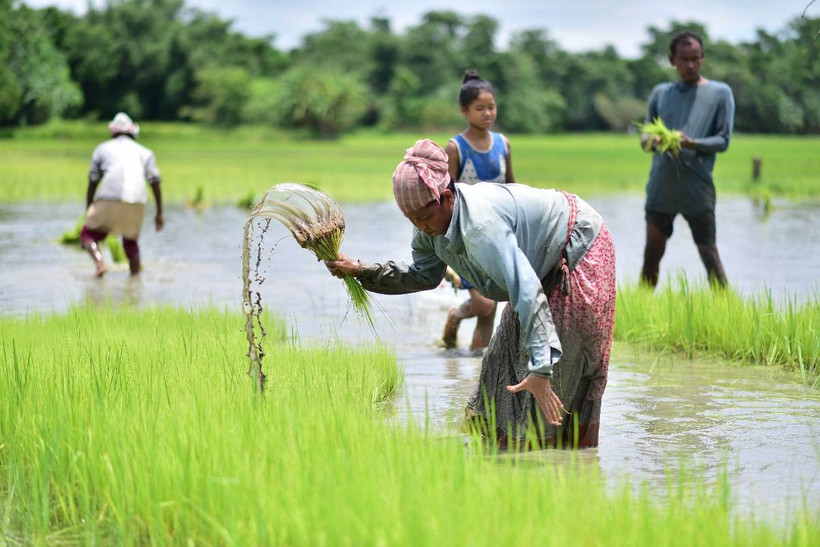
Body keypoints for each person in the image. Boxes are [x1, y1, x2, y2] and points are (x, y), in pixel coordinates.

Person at [325, 139, 616, 448]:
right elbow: (423, 275)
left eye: (424, 217)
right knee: (498, 365)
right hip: (537, 264)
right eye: (412, 220)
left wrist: (542, 368)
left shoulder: (481, 227)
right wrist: (361, 270)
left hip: (577, 247)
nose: (420, 227)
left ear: (446, 197)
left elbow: (527, 291)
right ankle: (495, 459)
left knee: (553, 377)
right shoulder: (428, 230)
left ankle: (560, 463)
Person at [640, 30, 734, 288]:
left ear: (703, 57)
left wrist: (691, 143)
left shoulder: (720, 93)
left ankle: (725, 306)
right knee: (651, 256)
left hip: (697, 189)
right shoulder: (660, 93)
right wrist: (654, 141)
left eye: (695, 58)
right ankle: (641, 306)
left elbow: (723, 140)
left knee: (709, 254)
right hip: (662, 188)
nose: (690, 65)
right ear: (673, 60)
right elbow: (644, 138)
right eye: (684, 59)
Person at [440, 69, 515, 353]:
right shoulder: (456, 148)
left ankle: (476, 372)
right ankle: (456, 315)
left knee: (490, 310)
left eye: (491, 107)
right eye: (480, 108)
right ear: (464, 110)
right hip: (467, 238)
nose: (487, 113)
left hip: (497, 236)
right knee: (483, 304)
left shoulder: (503, 144)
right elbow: (446, 196)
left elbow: (513, 188)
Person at [80, 112, 164, 277]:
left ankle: (99, 264)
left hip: (108, 198)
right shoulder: (145, 152)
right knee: (130, 241)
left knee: (87, 234)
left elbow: (93, 180)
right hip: (137, 200)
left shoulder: (102, 149)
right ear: (133, 132)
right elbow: (154, 181)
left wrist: (89, 208)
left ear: (113, 132)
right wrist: (159, 213)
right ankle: (135, 278)